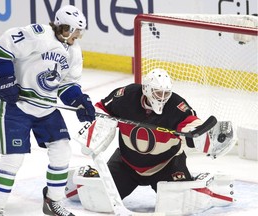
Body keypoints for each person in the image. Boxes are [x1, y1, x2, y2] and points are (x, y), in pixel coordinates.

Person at [69, 68, 235, 215]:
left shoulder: (177, 105)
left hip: (166, 165)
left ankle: (206, 183)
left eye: (166, 93)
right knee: (100, 201)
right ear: (147, 89)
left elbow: (191, 123)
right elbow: (102, 109)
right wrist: (96, 127)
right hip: (126, 164)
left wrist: (199, 134)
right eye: (157, 92)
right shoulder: (126, 95)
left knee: (180, 206)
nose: (162, 97)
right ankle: (85, 174)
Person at [0, 5, 95, 216]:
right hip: (16, 107)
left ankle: (53, 201)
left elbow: (66, 84)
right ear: (64, 28)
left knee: (62, 151)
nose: (78, 35)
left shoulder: (74, 50)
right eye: (75, 31)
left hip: (45, 108)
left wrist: (79, 101)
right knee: (13, 159)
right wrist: (7, 80)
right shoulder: (38, 35)